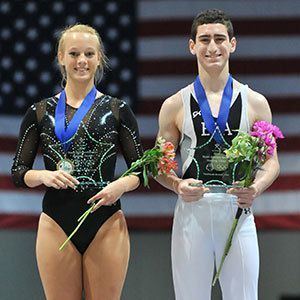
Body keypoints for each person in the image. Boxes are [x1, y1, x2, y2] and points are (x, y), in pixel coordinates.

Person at [11, 24, 143, 300]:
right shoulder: (40, 112)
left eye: (88, 54)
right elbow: (18, 171)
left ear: (99, 58)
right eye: (73, 53)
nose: (81, 61)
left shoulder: (117, 110)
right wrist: (43, 176)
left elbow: (140, 170)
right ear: (60, 57)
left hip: (105, 220)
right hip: (56, 221)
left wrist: (119, 186)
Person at [156, 9, 280, 300]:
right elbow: (159, 164)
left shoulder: (255, 103)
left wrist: (256, 188)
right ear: (192, 46)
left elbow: (271, 161)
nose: (212, 47)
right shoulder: (175, 104)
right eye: (204, 39)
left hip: (236, 208)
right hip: (192, 210)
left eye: (220, 39)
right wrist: (176, 185)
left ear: (232, 44)